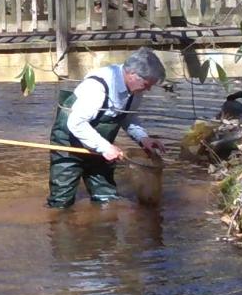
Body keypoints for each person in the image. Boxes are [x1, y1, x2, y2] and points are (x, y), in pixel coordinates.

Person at [47, 47, 166, 208]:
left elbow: (128, 116)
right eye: (146, 84)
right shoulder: (97, 86)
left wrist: (143, 138)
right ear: (132, 74)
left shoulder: (136, 90)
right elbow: (76, 123)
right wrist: (105, 147)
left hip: (101, 147)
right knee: (60, 203)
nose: (148, 89)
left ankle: (104, 230)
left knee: (108, 198)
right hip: (68, 144)